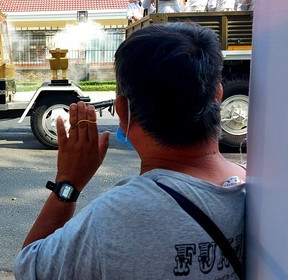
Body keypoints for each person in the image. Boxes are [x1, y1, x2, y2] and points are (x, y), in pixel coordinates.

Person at [14, 22, 246, 279]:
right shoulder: (257, 190)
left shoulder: (114, 216)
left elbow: (29, 268)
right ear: (218, 96)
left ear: (123, 112)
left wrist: (67, 183)